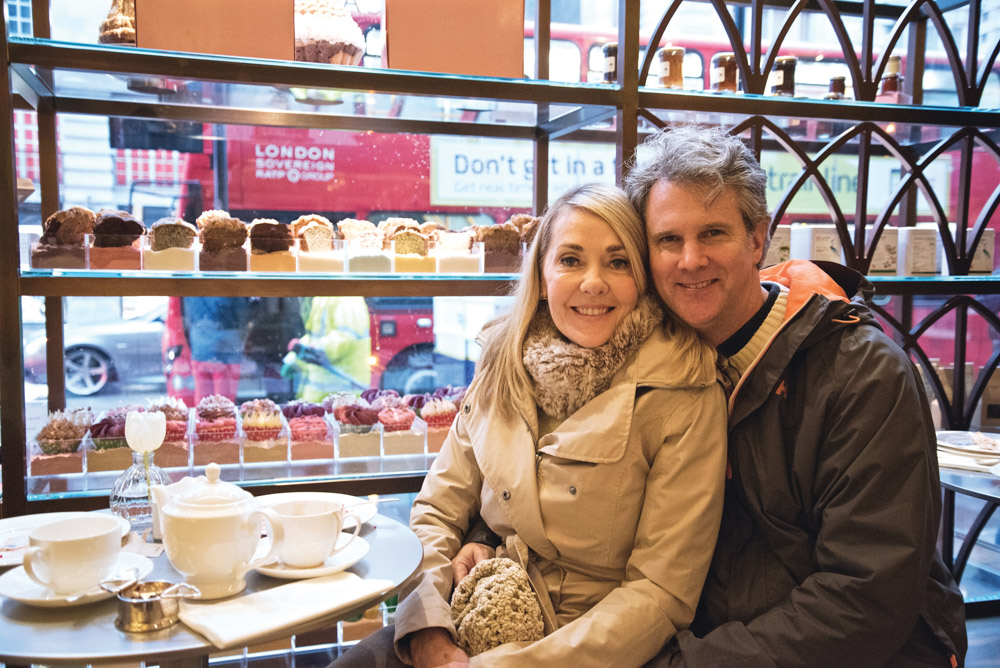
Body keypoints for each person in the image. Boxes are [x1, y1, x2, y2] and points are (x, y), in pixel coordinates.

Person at [332, 183, 727, 667]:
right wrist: (429, 631)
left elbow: (661, 592)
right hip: (466, 614)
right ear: (541, 276)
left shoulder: (684, 390)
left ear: (642, 280)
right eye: (571, 260)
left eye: (618, 262)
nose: (594, 282)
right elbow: (437, 512)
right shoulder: (502, 363)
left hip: (590, 649)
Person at [622, 125, 967, 666]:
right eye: (669, 239)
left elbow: (865, 599)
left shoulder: (864, 375)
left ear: (758, 238)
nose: (689, 260)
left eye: (713, 233)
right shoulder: (650, 358)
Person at [280, 296, 371, 402]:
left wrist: (310, 350)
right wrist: (294, 359)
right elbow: (314, 336)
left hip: (344, 392)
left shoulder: (347, 298)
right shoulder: (323, 297)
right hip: (321, 391)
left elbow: (345, 339)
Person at [182, 296, 250, 403]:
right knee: (223, 405)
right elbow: (238, 311)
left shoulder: (191, 280)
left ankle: (201, 420)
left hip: (200, 345)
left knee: (202, 401)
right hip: (226, 346)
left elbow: (188, 315)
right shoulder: (229, 281)